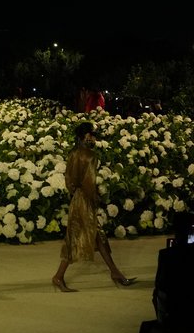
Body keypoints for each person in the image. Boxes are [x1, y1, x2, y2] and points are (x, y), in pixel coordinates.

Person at [52, 121, 137, 291]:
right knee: (78, 237)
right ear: (84, 136)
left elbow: (70, 180)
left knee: (97, 237)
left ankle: (115, 271)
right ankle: (59, 276)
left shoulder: (74, 153)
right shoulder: (89, 155)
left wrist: (78, 192)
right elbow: (86, 181)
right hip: (85, 200)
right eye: (90, 134)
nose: (92, 137)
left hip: (79, 199)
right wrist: (94, 195)